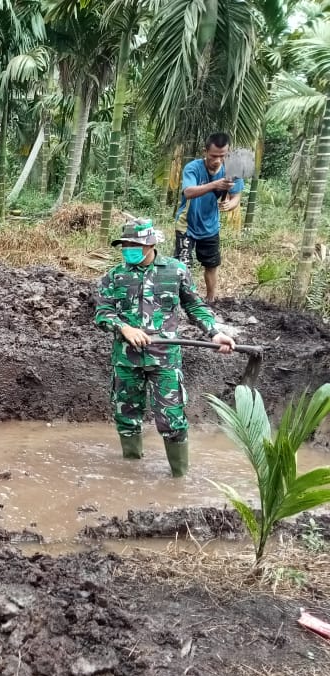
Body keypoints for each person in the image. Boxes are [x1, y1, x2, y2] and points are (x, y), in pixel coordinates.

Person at [95, 218, 235, 477]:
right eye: (124, 244)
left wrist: (214, 333)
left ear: (150, 244)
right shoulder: (115, 276)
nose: (128, 249)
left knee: (172, 419)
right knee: (127, 417)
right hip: (126, 361)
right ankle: (130, 471)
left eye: (133, 244)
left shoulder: (176, 271)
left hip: (165, 361)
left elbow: (194, 306)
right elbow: (103, 314)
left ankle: (179, 478)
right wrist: (124, 328)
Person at [173, 132, 245, 303]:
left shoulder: (232, 170)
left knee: (211, 265)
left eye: (223, 156)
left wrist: (230, 204)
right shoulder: (193, 168)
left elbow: (237, 196)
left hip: (210, 226)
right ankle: (182, 300)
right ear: (204, 151)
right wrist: (215, 184)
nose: (218, 160)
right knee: (182, 265)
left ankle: (211, 300)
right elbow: (188, 192)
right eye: (213, 156)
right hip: (187, 225)